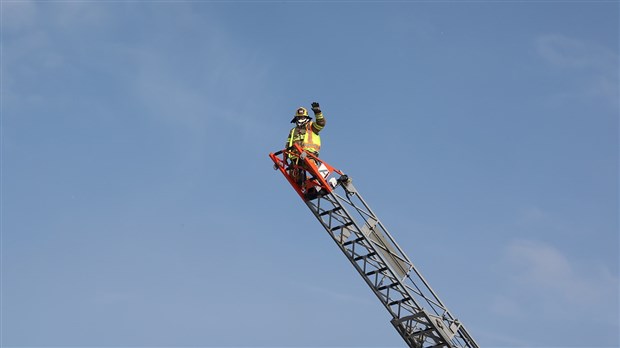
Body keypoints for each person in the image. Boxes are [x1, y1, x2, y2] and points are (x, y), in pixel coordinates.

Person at [285, 102, 326, 185]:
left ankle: (321, 181)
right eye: (299, 117)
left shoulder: (311, 126)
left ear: (306, 117)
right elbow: (288, 143)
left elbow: (321, 123)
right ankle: (307, 185)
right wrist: (285, 155)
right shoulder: (293, 131)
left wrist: (317, 112)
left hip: (308, 154)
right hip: (295, 156)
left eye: (302, 117)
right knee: (293, 175)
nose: (300, 119)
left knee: (310, 166)